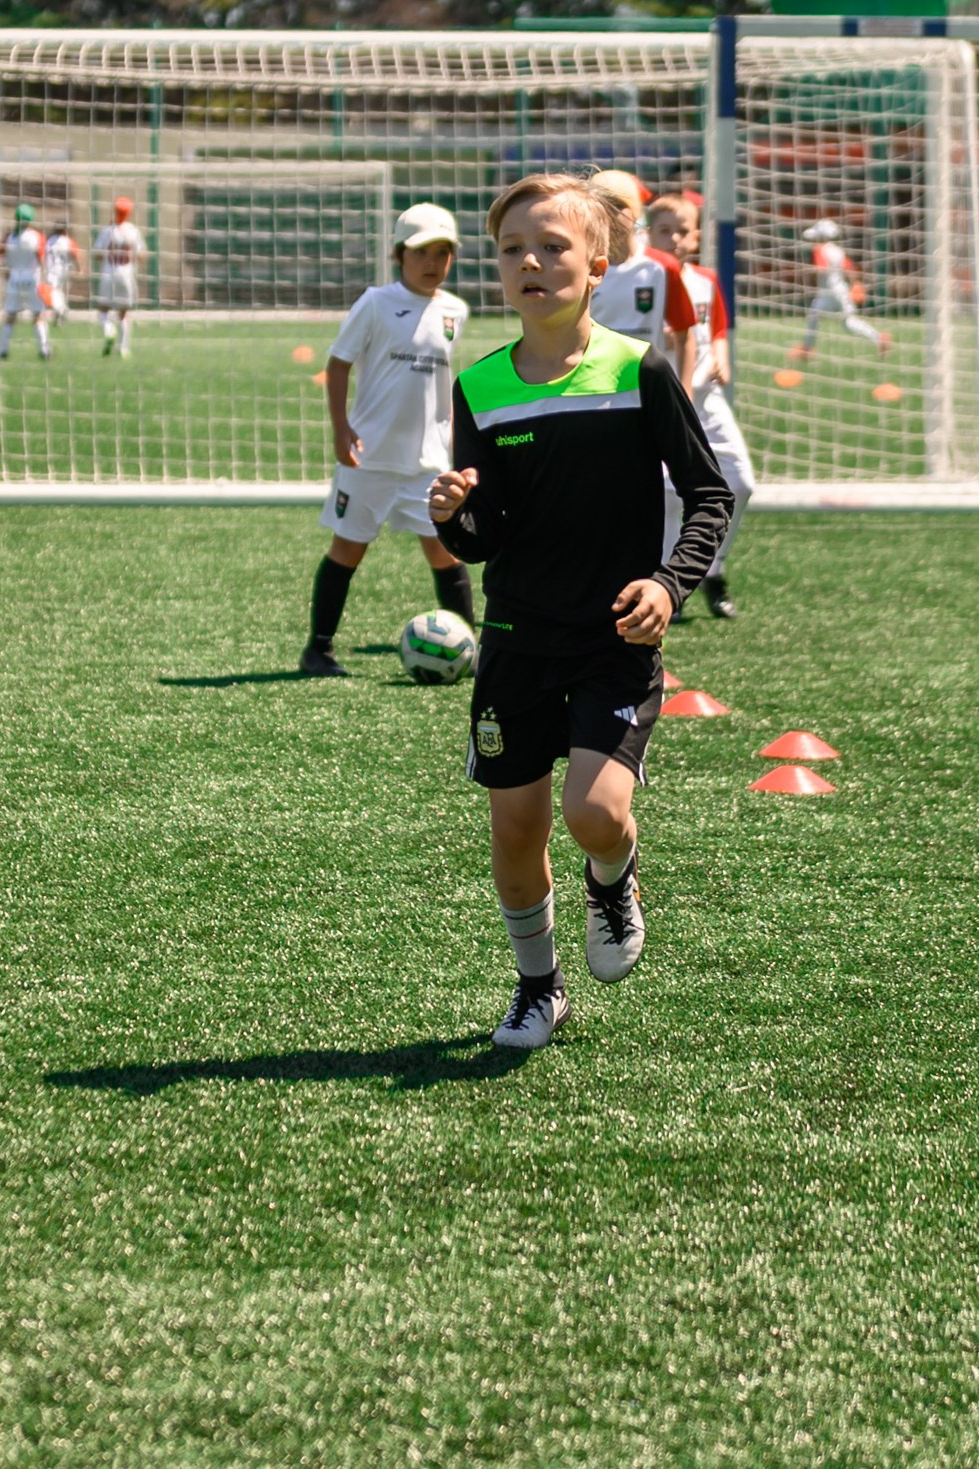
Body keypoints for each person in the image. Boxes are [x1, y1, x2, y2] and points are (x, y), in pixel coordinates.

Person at [429, 173, 733, 1049]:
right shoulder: (480, 386)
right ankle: (538, 988)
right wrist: (455, 514)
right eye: (514, 248)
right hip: (517, 638)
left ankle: (614, 877)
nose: (532, 261)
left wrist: (669, 583)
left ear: (598, 262)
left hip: (613, 634)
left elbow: (708, 495)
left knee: (592, 813)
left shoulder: (639, 369)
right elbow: (486, 538)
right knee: (515, 830)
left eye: (554, 246)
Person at [299, 202, 475, 678]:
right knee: (348, 549)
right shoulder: (375, 303)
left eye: (443, 252)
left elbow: (443, 388)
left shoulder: (455, 311)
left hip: (428, 463)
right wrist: (341, 429)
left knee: (445, 551)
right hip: (369, 458)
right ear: (399, 255)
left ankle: (471, 649)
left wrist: (457, 452)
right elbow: (338, 364)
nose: (433, 263)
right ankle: (318, 649)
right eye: (422, 252)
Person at [648, 193, 756, 621]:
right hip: (663, 402)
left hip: (706, 400)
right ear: (648, 234)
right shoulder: (644, 278)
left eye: (682, 230)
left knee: (741, 482)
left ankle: (714, 568)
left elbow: (719, 326)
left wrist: (723, 357)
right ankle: (669, 582)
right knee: (669, 494)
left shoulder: (705, 280)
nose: (674, 238)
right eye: (664, 230)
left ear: (695, 236)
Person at [588, 168, 698, 396]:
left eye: (617, 206)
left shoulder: (662, 267)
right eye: (601, 206)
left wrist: (685, 389)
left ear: (635, 212)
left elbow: (684, 334)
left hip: (647, 386)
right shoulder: (582, 267)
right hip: (594, 385)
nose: (608, 214)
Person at [795, 219, 891, 360]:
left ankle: (807, 350)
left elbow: (822, 269)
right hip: (841, 290)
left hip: (829, 292)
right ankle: (879, 338)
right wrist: (856, 284)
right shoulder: (837, 250)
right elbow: (850, 268)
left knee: (813, 316)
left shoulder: (820, 249)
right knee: (849, 322)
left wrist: (807, 271)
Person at [0, 204, 50, 361]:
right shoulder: (37, 236)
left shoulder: (9, 237)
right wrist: (45, 278)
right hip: (32, 278)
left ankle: (2, 351)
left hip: (15, 278)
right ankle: (44, 351)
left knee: (10, 316)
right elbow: (41, 259)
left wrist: (1, 270)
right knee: (38, 315)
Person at [93, 196, 146, 358]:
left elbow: (97, 254)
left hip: (109, 273)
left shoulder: (107, 231)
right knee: (124, 312)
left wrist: (109, 256)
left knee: (103, 309)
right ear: (129, 212)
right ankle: (123, 348)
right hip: (126, 275)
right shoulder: (133, 231)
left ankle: (109, 330)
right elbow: (142, 255)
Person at [43, 223, 82, 325]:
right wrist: (79, 268)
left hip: (52, 270)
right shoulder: (68, 241)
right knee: (59, 292)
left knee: (53, 292)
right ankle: (59, 316)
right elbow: (75, 254)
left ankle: (61, 309)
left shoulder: (49, 241)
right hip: (65, 270)